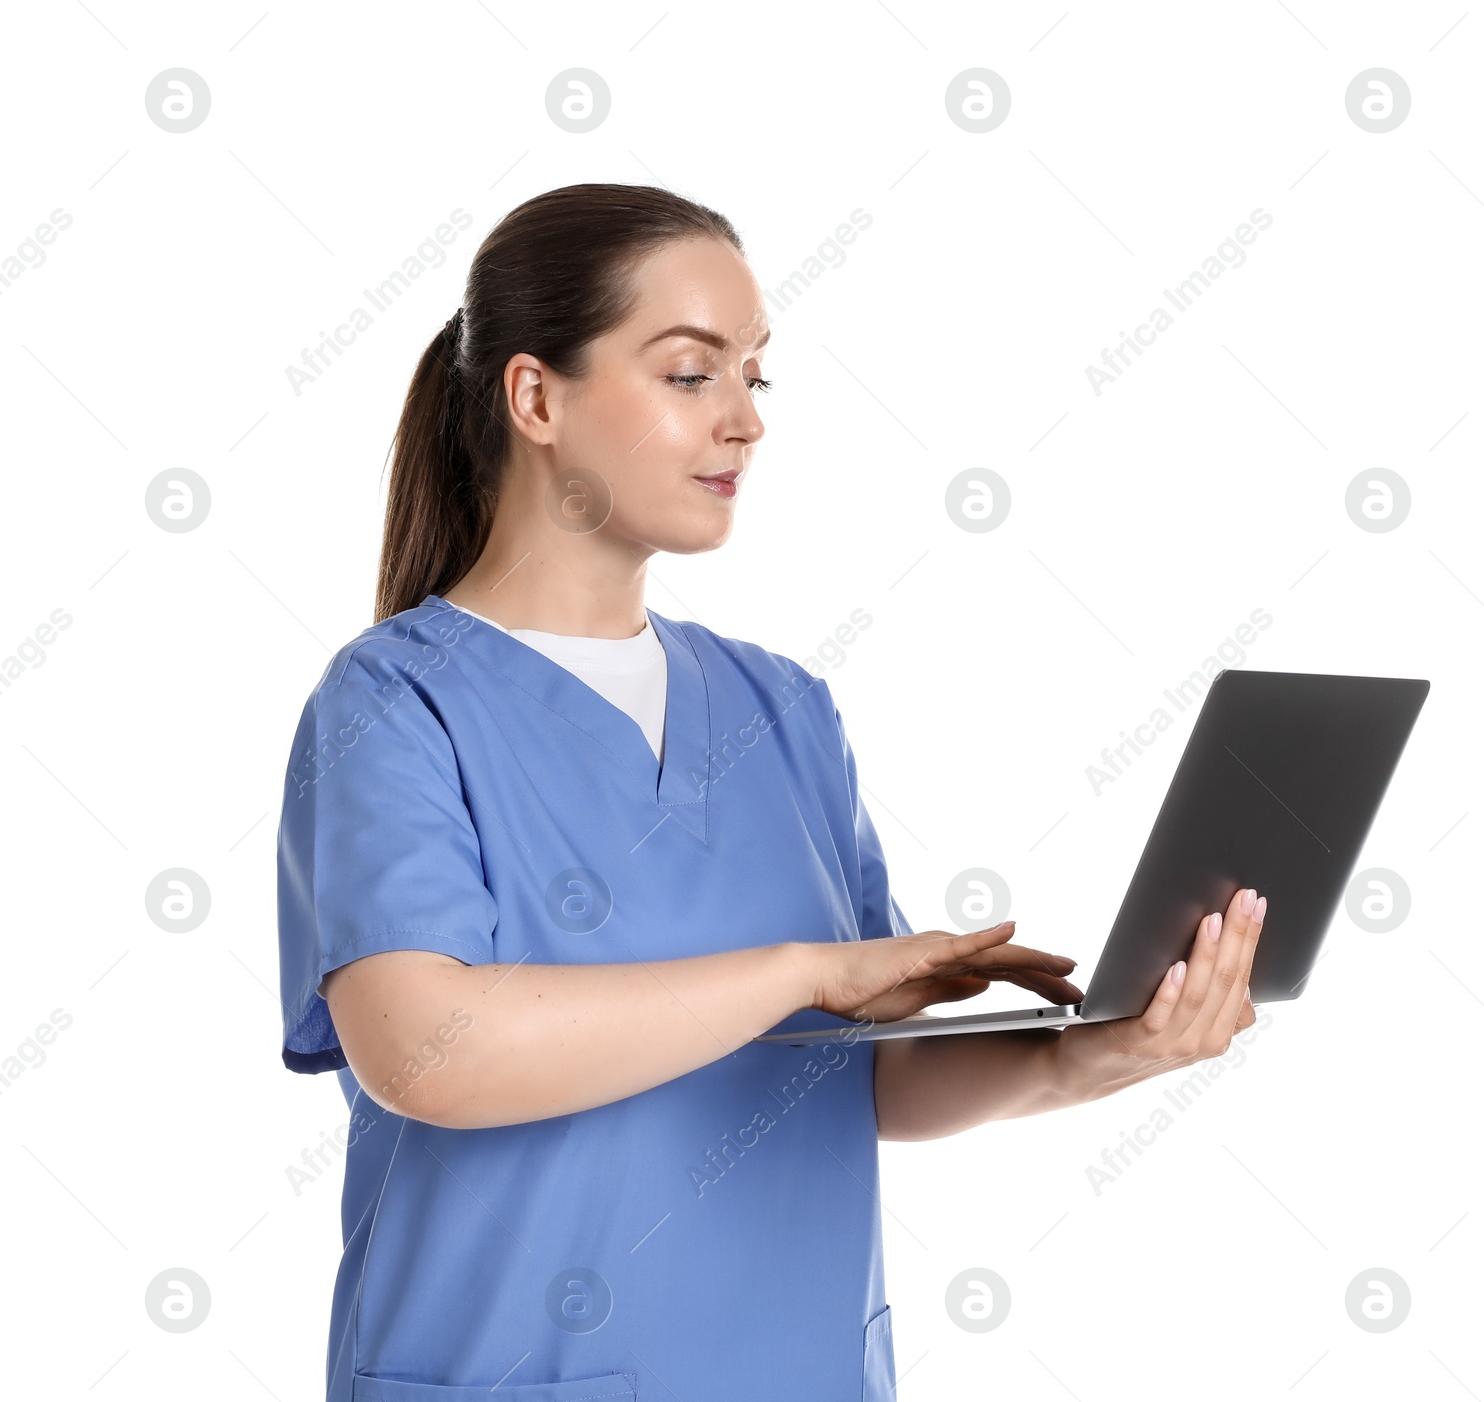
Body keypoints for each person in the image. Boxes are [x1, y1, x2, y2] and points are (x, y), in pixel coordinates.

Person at [275, 182, 1264, 1402]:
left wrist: (1098, 1052)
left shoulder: (782, 712)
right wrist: (805, 969)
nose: (744, 420)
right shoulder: (394, 701)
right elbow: (431, 1052)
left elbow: (859, 1070)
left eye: (756, 376)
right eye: (692, 374)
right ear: (535, 397)